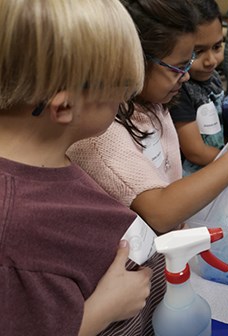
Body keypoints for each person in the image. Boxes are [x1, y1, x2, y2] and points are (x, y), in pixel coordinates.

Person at [0, 0, 160, 334]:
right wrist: (100, 312)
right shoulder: (14, 224)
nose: (123, 107)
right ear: (65, 107)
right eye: (120, 98)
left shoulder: (48, 155)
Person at [67, 0, 228, 235]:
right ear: (135, 61)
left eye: (188, 62)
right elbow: (160, 212)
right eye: (178, 67)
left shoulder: (156, 100)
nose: (186, 76)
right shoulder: (99, 131)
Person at [170, 0, 225, 175]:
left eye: (217, 47)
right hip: (195, 175)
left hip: (217, 160)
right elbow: (195, 152)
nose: (211, 61)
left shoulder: (212, 75)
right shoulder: (180, 88)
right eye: (198, 52)